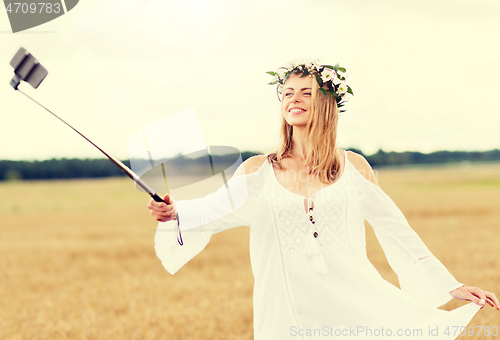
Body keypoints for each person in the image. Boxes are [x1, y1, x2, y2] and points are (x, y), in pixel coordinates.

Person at [148, 60, 499, 339]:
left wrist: (450, 286)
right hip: (285, 315)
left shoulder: (354, 168)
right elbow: (214, 210)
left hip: (353, 309)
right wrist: (174, 211)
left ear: (327, 104)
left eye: (305, 92)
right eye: (287, 93)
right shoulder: (258, 170)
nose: (294, 98)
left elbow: (396, 230)